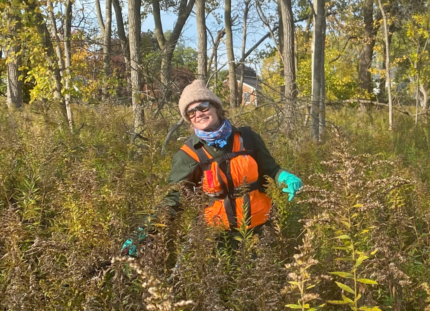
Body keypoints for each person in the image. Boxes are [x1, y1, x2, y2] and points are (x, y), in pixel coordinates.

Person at [122, 80, 303, 256]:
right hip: (220, 238)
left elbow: (271, 170)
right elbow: (173, 198)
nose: (198, 113)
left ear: (216, 108)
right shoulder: (188, 155)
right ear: (189, 120)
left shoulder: (248, 138)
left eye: (203, 107)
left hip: (264, 228)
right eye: (191, 112)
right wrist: (144, 232)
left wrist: (284, 177)